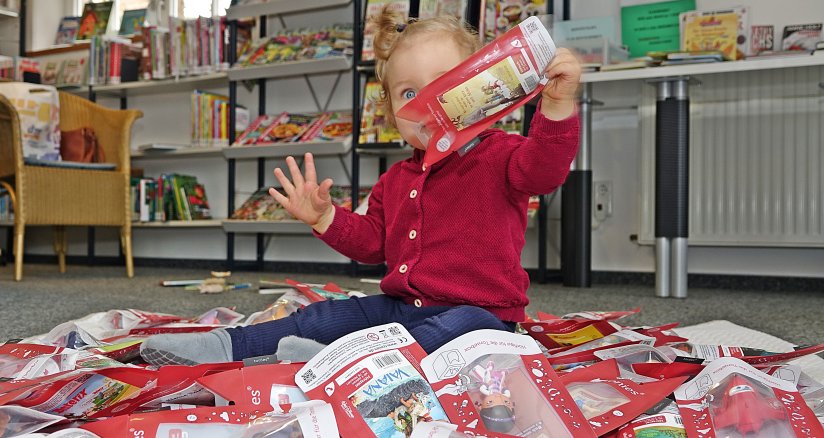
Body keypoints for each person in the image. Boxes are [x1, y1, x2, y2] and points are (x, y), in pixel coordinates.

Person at [140, 9, 581, 366]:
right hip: (402, 306)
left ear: (482, 87)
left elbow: (545, 171)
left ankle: (346, 364)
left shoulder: (501, 152)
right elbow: (374, 245)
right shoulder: (397, 179)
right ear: (389, 112)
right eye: (409, 94)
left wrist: (557, 107)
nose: (427, 104)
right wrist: (325, 217)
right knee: (330, 313)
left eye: (444, 84)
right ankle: (228, 345)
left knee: (458, 328)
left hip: (485, 318)